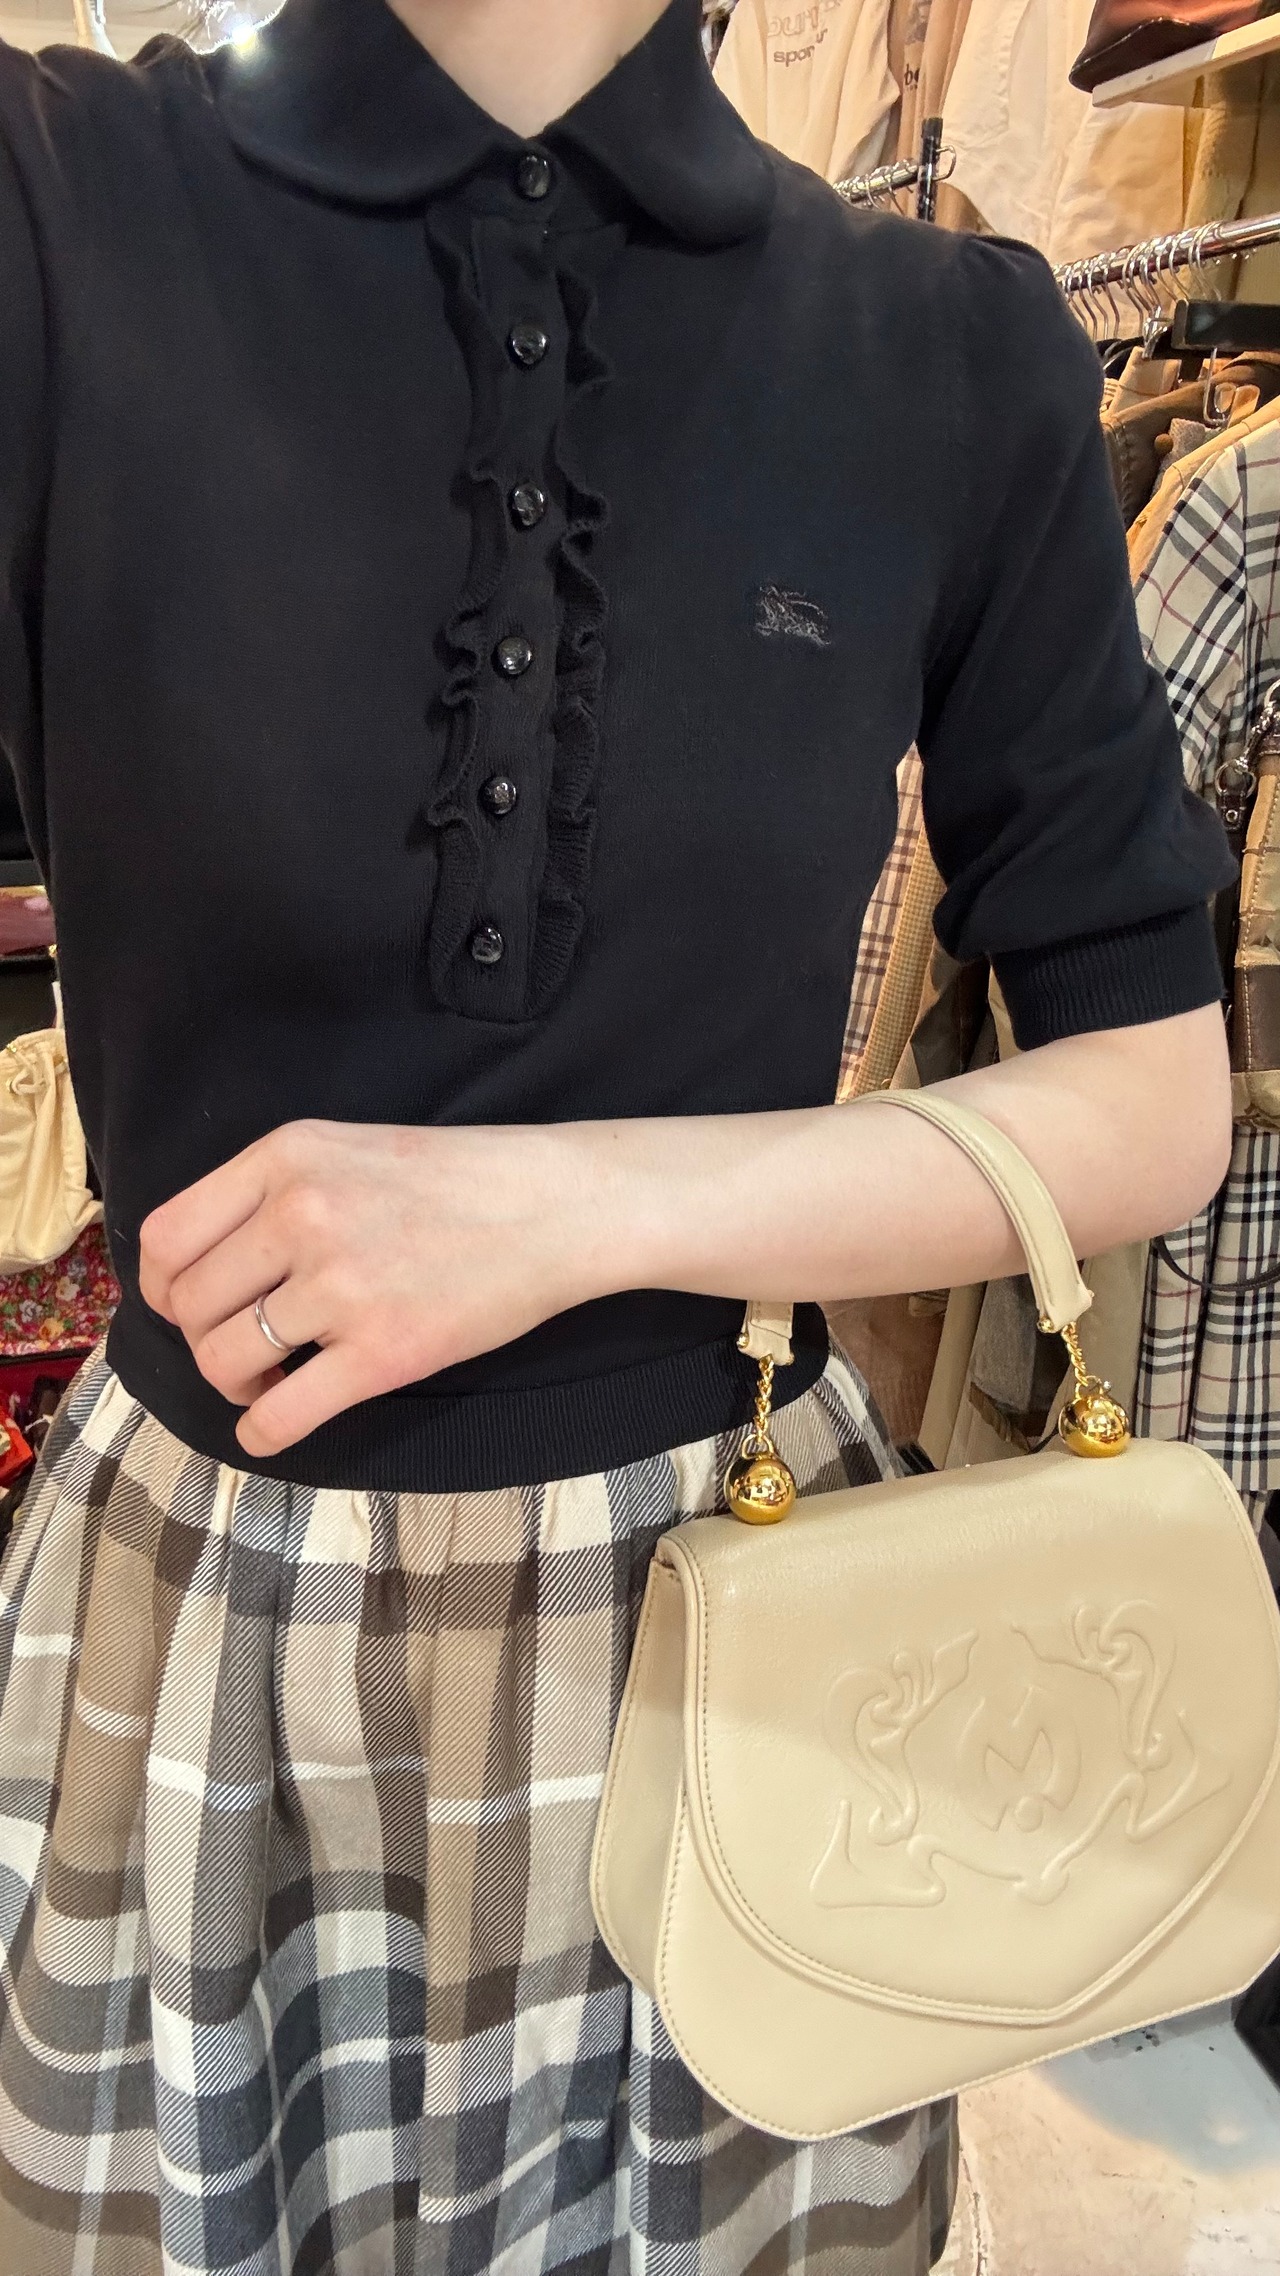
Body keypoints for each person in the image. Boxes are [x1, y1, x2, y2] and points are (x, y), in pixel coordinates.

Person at [0, 0, 1235, 2269]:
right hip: (216, 1642)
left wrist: (571, 1208)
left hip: (744, 1615)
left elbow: (1154, 1090)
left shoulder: (942, 345)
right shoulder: (55, 211)